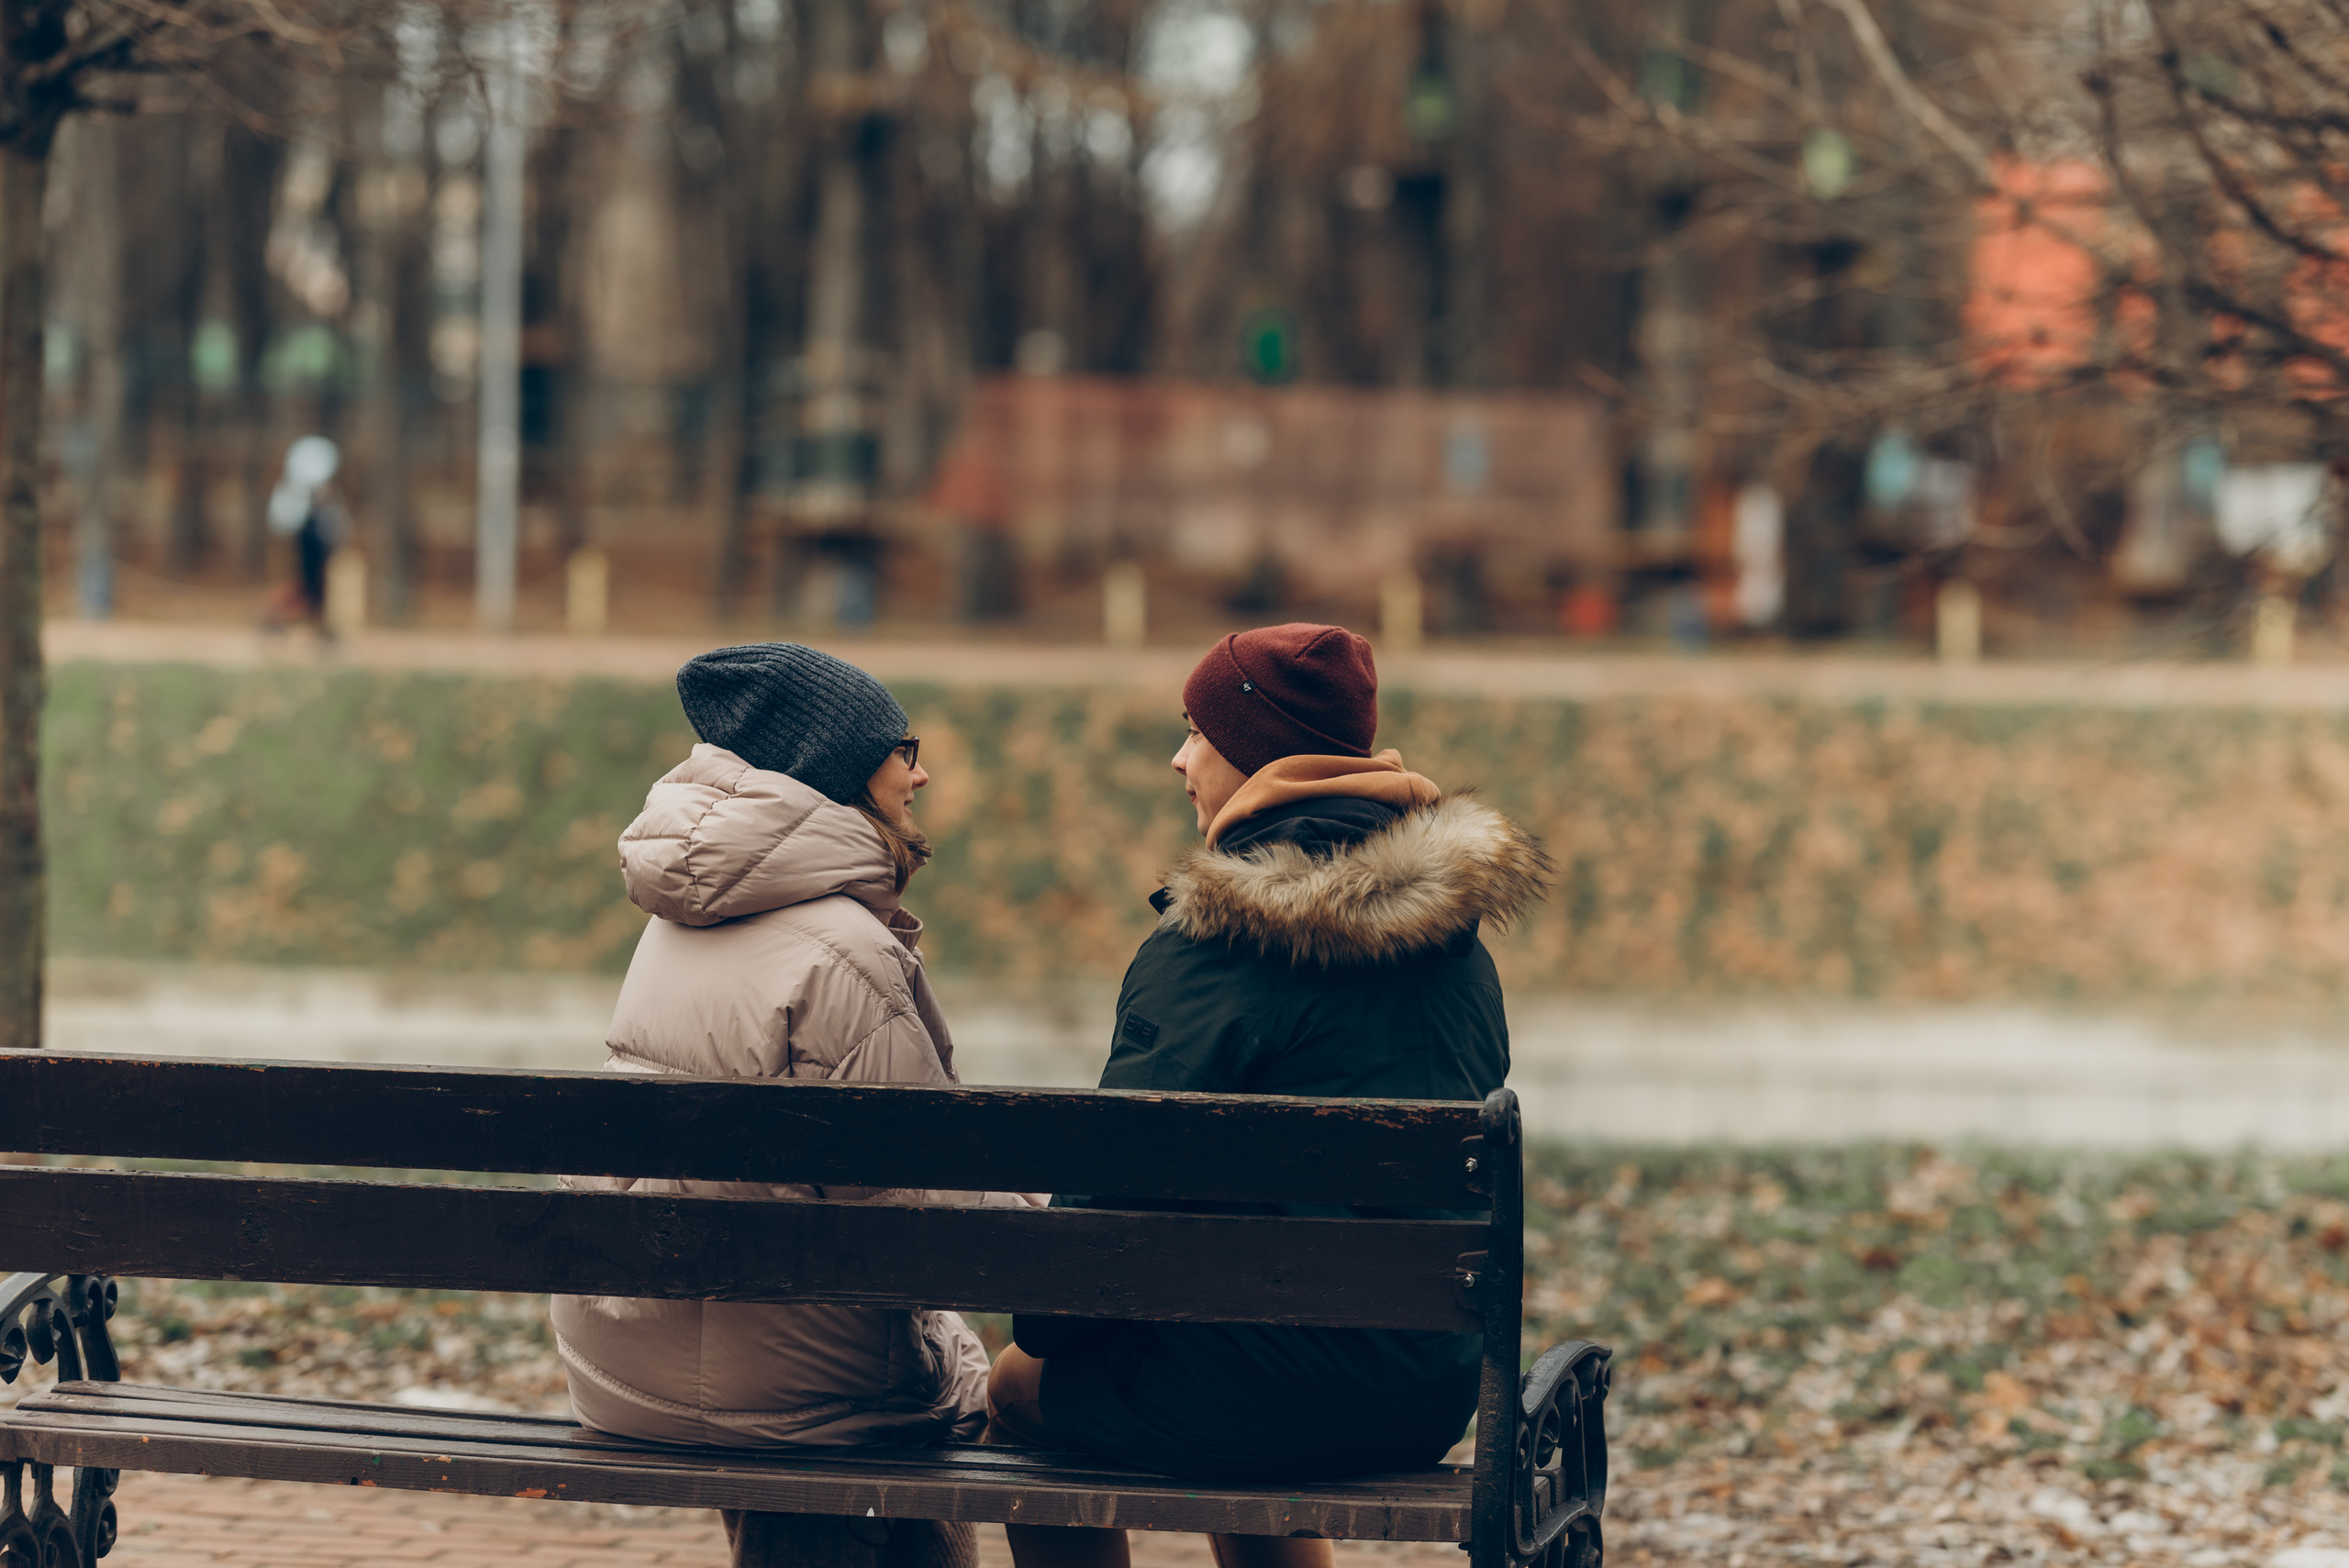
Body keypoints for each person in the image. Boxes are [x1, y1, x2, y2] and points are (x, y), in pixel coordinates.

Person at [985, 622, 1553, 1568]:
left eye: (1197, 732)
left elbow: (1118, 1167)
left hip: (1244, 1391)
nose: (1179, 757)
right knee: (1241, 1347)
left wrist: (1047, 1331)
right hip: (1424, 1390)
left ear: (1257, 751)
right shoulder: (1461, 950)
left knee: (1018, 1390)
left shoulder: (1212, 944)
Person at [551, 642, 1040, 1568]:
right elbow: (918, 1203)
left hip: (626, 1365)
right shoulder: (844, 951)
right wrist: (1045, 1222)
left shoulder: (679, 919)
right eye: (902, 748)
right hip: (781, 1392)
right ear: (838, 771)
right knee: (962, 1380)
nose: (922, 770)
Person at [262, 436, 347, 635]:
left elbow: (334, 523)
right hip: (304, 544)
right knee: (307, 587)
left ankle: (316, 627)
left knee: (315, 588)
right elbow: (284, 520)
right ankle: (274, 617)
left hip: (318, 546)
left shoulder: (326, 495)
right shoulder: (294, 493)